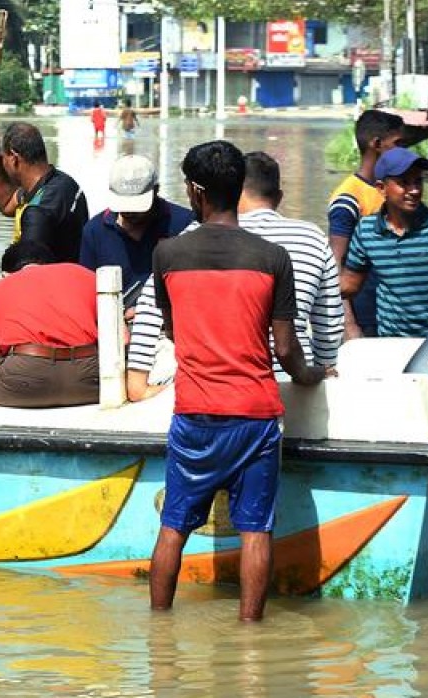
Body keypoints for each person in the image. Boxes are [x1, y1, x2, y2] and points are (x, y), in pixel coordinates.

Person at [147, 140, 329, 622]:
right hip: (255, 413)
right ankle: (251, 635)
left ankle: (158, 630)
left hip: (195, 414)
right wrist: (312, 375)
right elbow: (287, 349)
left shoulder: (167, 254)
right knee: (255, 531)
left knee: (173, 528)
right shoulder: (272, 257)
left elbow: (171, 328)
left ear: (197, 191)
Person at [125, 151, 345, 401]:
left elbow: (151, 316)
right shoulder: (311, 239)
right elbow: (328, 325)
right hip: (288, 387)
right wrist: (318, 372)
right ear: (279, 197)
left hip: (204, 390)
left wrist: (138, 386)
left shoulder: (184, 243)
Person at [0, 241, 99, 408]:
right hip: (90, 376)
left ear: (5, 274)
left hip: (26, 375)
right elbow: (121, 338)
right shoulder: (85, 274)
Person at [342, 147, 428, 338]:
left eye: (418, 181)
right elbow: (348, 287)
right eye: (404, 183)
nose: (415, 190)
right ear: (381, 188)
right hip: (391, 342)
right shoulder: (366, 230)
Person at [328, 109, 405, 339]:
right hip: (365, 315)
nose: (403, 151)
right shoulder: (348, 198)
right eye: (398, 143)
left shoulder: (392, 191)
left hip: (393, 316)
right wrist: (349, 325)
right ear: (377, 144)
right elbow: (335, 266)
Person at [78, 154, 193, 295]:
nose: (130, 212)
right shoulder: (94, 231)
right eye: (125, 205)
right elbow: (86, 290)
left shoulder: (184, 224)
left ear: (156, 191)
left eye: (137, 206)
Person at [0, 121, 89, 262]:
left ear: (14, 158)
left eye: (3, 158)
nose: (3, 163)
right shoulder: (65, 182)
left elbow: (28, 270)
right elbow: (6, 203)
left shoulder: (37, 212)